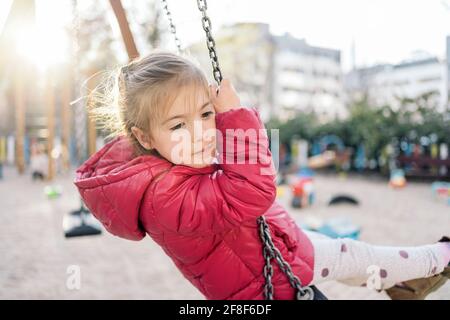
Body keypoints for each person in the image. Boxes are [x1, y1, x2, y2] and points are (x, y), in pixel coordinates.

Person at [74, 51, 449, 300]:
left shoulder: (173, 160)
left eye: (206, 115)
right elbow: (253, 190)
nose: (203, 131)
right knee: (352, 256)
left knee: (352, 260)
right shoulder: (163, 199)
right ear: (142, 137)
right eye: (177, 124)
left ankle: (406, 281)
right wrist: (233, 115)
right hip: (265, 285)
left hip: (275, 249)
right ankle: (437, 258)